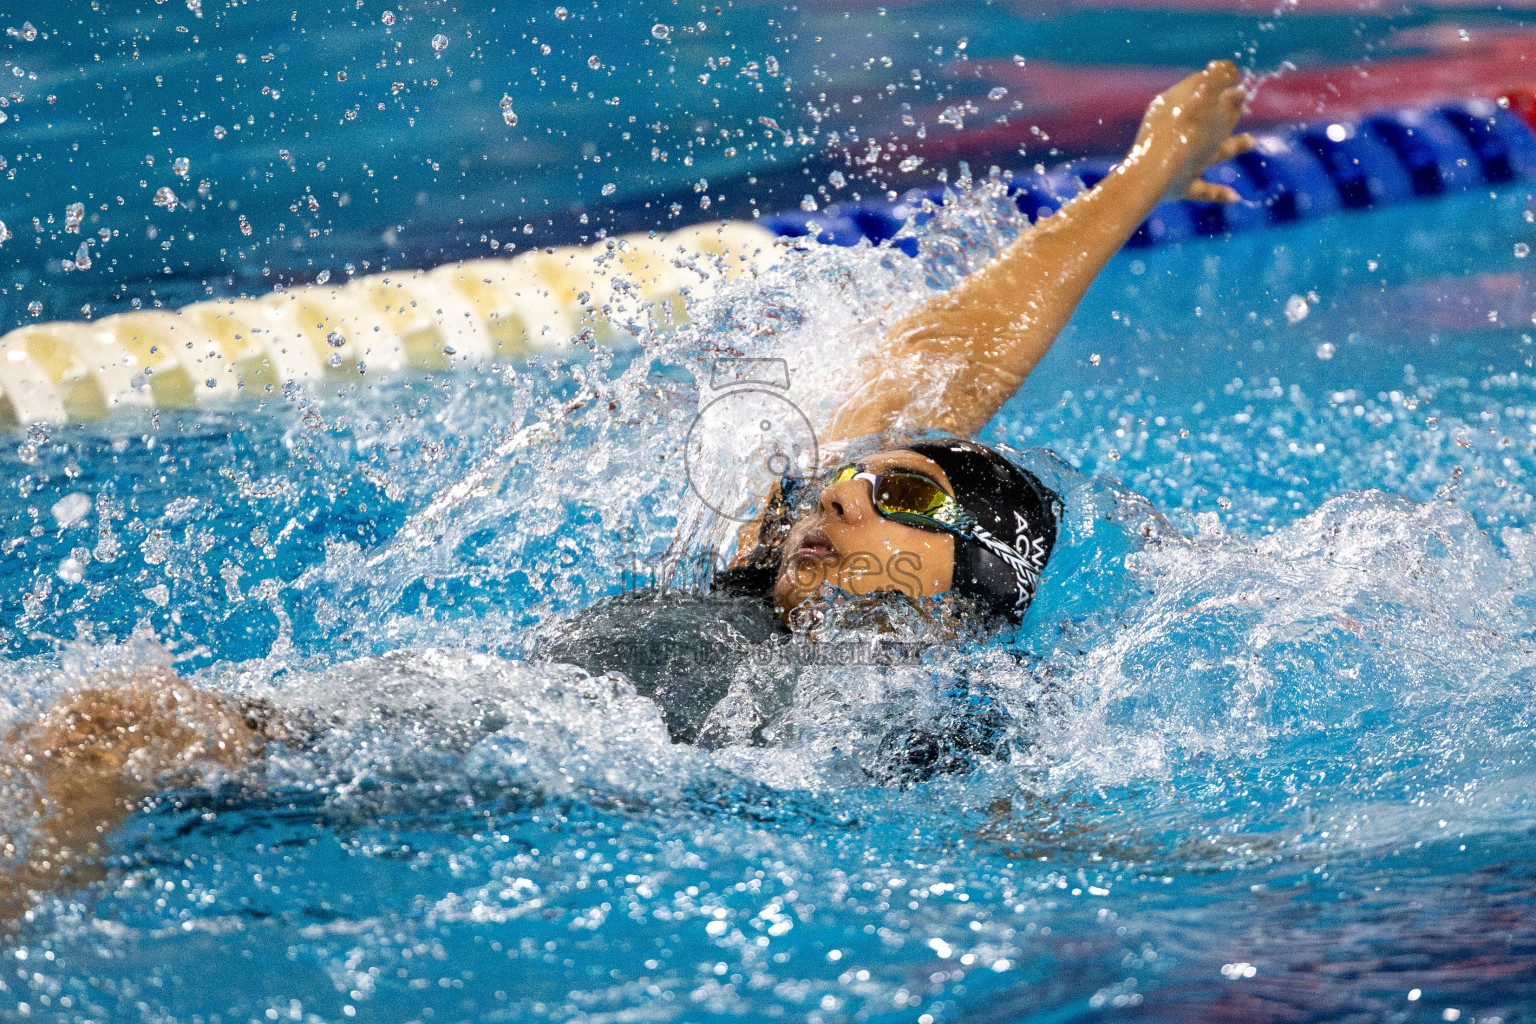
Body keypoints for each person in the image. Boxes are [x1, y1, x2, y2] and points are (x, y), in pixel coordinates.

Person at [0, 61, 1254, 910]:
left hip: (478, 792)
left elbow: (1051, 846)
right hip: (422, 735)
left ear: (984, 579)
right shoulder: (737, 572)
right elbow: (941, 360)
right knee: (86, 731)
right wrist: (1140, 174)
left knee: (96, 731)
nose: (842, 497)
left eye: (909, 500)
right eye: (842, 482)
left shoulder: (944, 718)